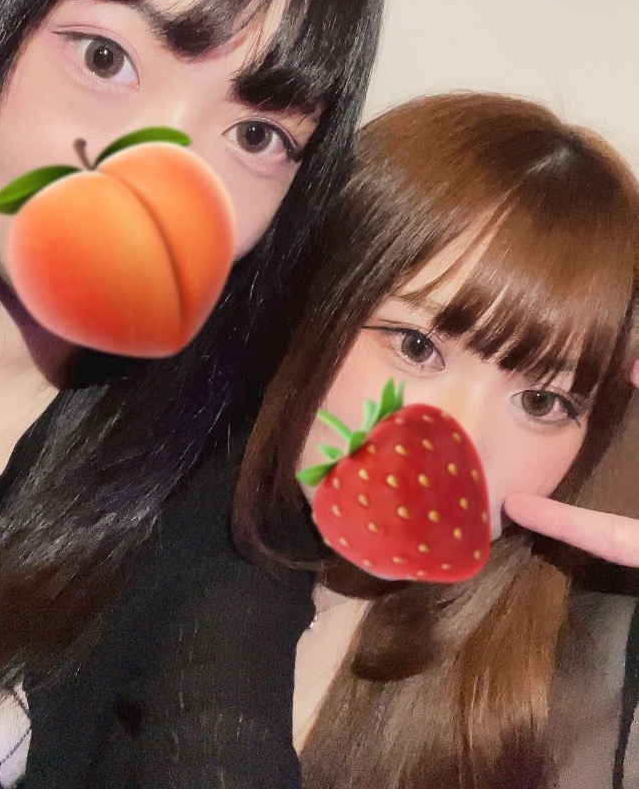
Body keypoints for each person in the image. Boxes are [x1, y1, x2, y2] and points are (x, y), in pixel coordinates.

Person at [0, 0, 385, 785]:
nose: (159, 175)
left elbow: (222, 728)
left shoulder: (212, 492)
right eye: (105, 57)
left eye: (256, 134)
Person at [234, 92, 638, 788]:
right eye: (417, 347)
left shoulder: (586, 690)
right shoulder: (135, 535)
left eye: (541, 402)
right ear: (310, 309)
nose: (464, 438)